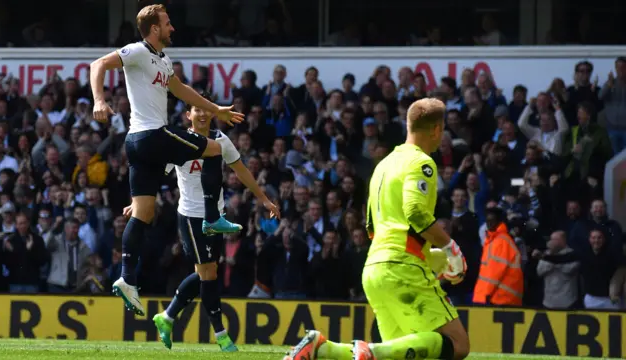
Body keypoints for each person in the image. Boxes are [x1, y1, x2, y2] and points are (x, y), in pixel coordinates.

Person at [286, 98, 470, 360]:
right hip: (403, 267)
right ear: (437, 129)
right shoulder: (422, 163)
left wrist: (435, 260)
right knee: (458, 344)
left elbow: (375, 227)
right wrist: (450, 248)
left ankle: (322, 348)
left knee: (397, 354)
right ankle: (368, 350)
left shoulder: (383, 166)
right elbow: (415, 213)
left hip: (375, 267)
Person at [89, 4, 244, 316]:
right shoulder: (135, 51)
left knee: (143, 213)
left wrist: (216, 110)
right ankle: (212, 218)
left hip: (137, 144)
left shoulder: (163, 60)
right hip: (151, 135)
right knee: (215, 148)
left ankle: (127, 278)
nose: (173, 28)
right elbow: (98, 64)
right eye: (168, 23)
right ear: (155, 28)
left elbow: (182, 91)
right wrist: (99, 100)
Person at [123, 101, 280, 351]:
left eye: (206, 109)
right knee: (207, 275)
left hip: (216, 216)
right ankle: (221, 336)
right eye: (197, 109)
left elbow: (240, 170)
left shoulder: (220, 140)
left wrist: (264, 199)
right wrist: (137, 202)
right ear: (189, 115)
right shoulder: (178, 142)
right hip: (190, 217)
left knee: (208, 273)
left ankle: (168, 316)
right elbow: (154, 172)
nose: (204, 113)